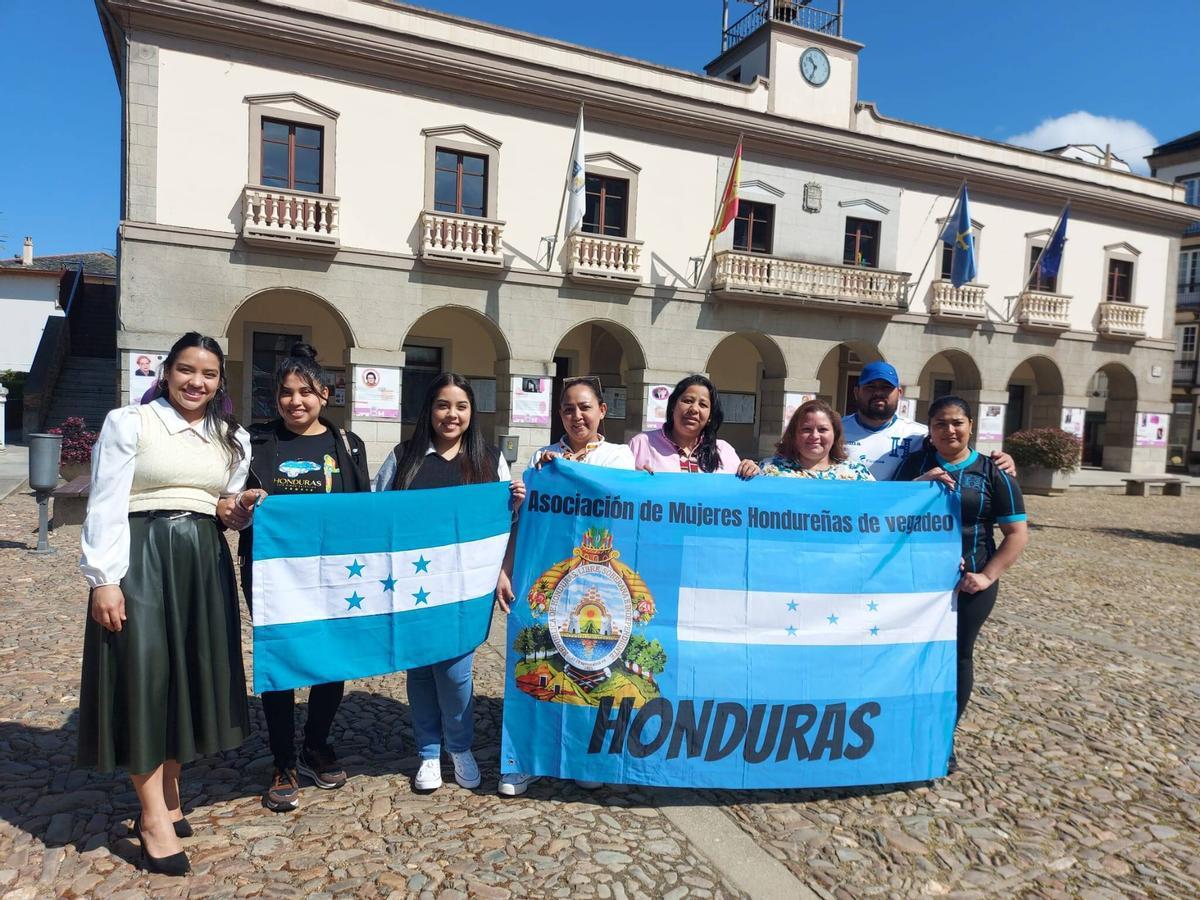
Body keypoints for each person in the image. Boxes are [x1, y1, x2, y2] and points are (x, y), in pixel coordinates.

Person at [78, 332, 257, 876]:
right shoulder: (130, 422)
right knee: (144, 674)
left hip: (202, 558)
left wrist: (237, 512)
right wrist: (104, 579)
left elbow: (221, 505)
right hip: (142, 554)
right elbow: (104, 499)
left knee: (187, 676)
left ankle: (171, 794)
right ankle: (153, 817)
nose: (195, 382)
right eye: (186, 370)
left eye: (207, 374)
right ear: (166, 371)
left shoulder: (232, 437)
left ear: (220, 381)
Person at [374, 373, 524, 794]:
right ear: (430, 410)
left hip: (465, 587)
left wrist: (503, 561)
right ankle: (427, 750)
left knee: (456, 672)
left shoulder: (488, 459)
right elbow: (377, 511)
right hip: (414, 584)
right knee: (420, 670)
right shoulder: (404, 457)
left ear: (471, 412)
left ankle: (459, 747)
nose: (451, 415)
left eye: (460, 406)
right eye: (443, 405)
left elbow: (505, 525)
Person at [238, 343, 371, 812]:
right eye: (287, 393)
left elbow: (363, 513)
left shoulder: (348, 446)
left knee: (329, 660)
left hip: (333, 574)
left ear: (325, 394)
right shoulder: (253, 444)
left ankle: (316, 743)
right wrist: (243, 504)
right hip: (273, 573)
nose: (296, 402)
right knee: (281, 661)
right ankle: (282, 761)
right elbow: (231, 505)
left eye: (306, 392)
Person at [498, 375, 633, 797]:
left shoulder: (619, 457)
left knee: (593, 670)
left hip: (601, 582)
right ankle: (527, 759)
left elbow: (623, 504)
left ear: (602, 411)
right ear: (560, 414)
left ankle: (582, 758)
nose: (577, 415)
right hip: (549, 579)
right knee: (538, 665)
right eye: (569, 409)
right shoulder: (543, 458)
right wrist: (525, 496)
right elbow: (526, 520)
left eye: (585, 407)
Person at [893, 395, 1029, 771]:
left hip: (969, 584)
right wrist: (919, 485)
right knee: (912, 657)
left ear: (971, 426)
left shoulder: (994, 471)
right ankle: (906, 731)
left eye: (957, 423)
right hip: (917, 585)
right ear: (929, 429)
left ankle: (942, 738)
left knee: (958, 658)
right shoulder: (914, 464)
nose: (949, 430)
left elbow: (1016, 533)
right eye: (940, 424)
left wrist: (987, 576)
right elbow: (887, 514)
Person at [843, 361, 1016, 480]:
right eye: (870, 387)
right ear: (857, 392)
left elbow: (960, 454)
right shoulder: (834, 431)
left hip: (897, 523)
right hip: (844, 520)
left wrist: (1001, 462)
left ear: (899, 393)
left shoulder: (921, 433)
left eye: (886, 387)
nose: (878, 393)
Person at [628, 374, 759, 477]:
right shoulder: (641, 443)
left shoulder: (724, 451)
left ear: (710, 416)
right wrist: (634, 479)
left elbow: (741, 497)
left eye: (703, 405)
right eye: (687, 401)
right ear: (673, 405)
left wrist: (750, 471)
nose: (694, 409)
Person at [760, 398, 874, 480]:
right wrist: (746, 471)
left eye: (822, 429)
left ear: (835, 434)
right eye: (806, 429)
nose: (814, 436)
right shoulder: (769, 470)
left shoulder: (857, 473)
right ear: (794, 434)